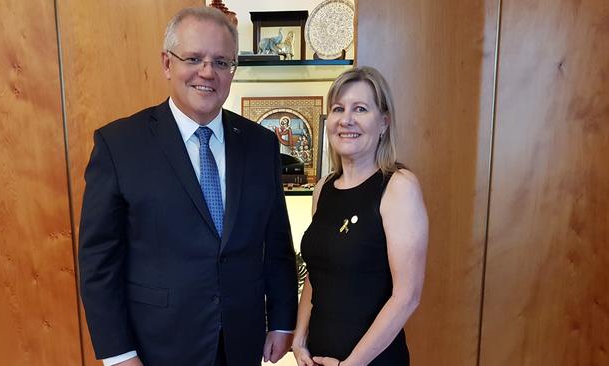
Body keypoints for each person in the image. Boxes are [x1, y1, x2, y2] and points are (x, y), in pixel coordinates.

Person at [78, 7, 297, 366]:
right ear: (167, 63)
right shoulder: (119, 145)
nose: (207, 73)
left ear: (232, 71)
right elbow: (99, 262)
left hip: (243, 342)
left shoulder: (261, 144)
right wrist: (118, 353)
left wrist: (283, 320)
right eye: (193, 58)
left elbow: (277, 244)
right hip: (156, 346)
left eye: (221, 62)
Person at [292, 66, 429, 366]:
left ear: (384, 122)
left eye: (361, 109)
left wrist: (352, 364)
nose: (346, 120)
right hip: (316, 359)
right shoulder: (323, 189)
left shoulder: (398, 187)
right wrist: (299, 340)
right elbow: (316, 275)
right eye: (339, 108)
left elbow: (407, 296)